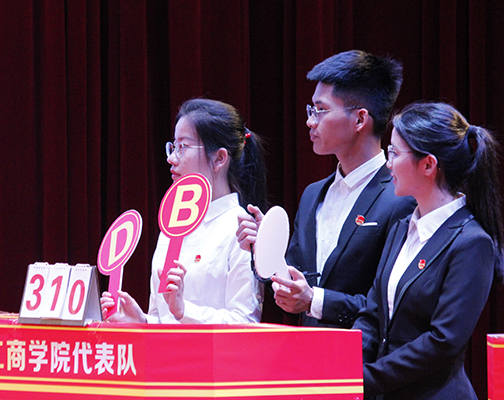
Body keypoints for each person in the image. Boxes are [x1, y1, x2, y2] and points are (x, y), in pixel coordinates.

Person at [237, 50, 416, 327]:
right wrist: (265, 249)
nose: (310, 121)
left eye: (320, 110)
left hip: (364, 352)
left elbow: (392, 303)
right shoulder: (312, 195)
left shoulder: (400, 196)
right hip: (309, 350)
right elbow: (294, 285)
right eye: (311, 110)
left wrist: (315, 301)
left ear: (360, 119)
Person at [353, 102, 503, 399]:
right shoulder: (400, 228)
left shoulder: (472, 242)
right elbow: (372, 314)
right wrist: (347, 366)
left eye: (395, 153)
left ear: (428, 165)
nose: (388, 163)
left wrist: (366, 378)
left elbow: (442, 342)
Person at [101, 98, 267, 324]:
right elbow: (162, 317)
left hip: (211, 350)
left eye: (183, 147)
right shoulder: (171, 226)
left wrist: (184, 310)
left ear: (219, 158)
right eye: (173, 147)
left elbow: (245, 322)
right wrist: (143, 322)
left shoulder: (242, 228)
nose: (171, 159)